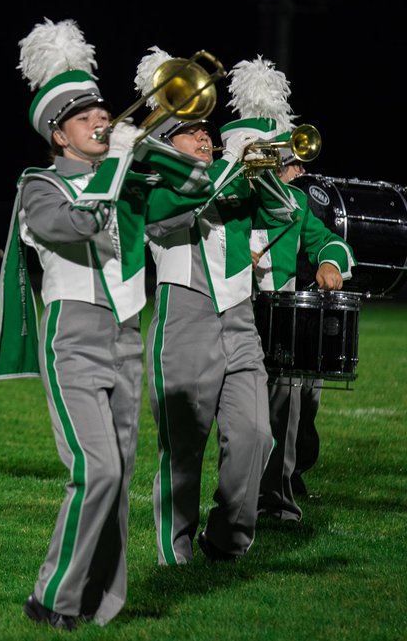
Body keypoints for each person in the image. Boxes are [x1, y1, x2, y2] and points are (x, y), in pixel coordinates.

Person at [0, 22, 210, 629]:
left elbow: (196, 187)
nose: (100, 122)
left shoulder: (128, 178)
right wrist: (118, 163)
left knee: (120, 479)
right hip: (76, 340)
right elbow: (78, 225)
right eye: (84, 118)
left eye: (103, 113)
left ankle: (100, 601)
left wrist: (151, 144)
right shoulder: (40, 186)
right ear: (58, 133)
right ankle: (51, 598)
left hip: (127, 339)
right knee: (97, 470)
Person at [141, 49, 302, 566]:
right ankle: (175, 549)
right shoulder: (156, 185)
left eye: (209, 130)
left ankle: (227, 539)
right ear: (167, 143)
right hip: (184, 315)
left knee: (256, 435)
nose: (206, 137)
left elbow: (284, 209)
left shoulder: (233, 181)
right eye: (191, 132)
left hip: (238, 319)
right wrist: (234, 166)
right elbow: (170, 213)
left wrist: (262, 163)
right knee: (184, 445)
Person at [243, 61, 354, 521]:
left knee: (293, 400)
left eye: (292, 162)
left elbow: (329, 241)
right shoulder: (233, 192)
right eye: (286, 161)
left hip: (282, 313)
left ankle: (275, 495)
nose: (295, 169)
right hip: (234, 311)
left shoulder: (297, 202)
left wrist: (330, 261)